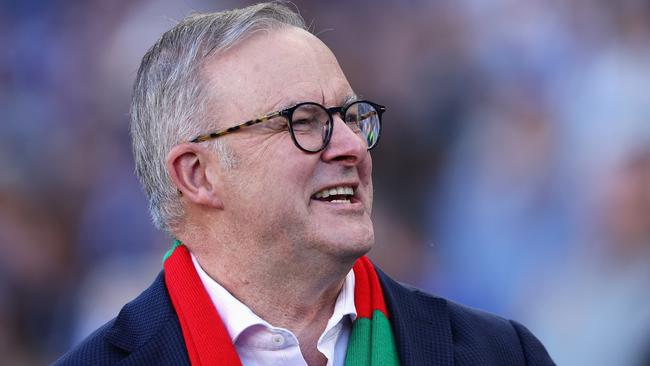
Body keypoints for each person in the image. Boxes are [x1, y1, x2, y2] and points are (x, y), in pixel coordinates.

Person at [55, 2, 554, 365]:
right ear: (197, 175)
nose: (353, 146)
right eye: (305, 121)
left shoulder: (501, 354)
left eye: (353, 116)